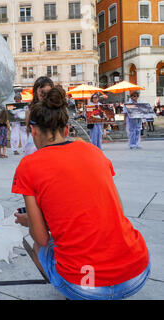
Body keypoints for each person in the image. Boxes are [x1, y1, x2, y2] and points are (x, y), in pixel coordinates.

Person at [12, 87, 150, 300]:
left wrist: (30, 220)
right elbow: (116, 211)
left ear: (34, 132)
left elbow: (40, 236)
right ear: (67, 130)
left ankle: (70, 289)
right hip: (136, 273)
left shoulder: (28, 166)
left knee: (39, 244)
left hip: (84, 286)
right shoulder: (94, 152)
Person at [24, 76, 54, 156]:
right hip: (34, 147)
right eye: (42, 92)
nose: (45, 95)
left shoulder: (55, 108)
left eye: (48, 92)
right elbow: (29, 129)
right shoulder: (30, 110)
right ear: (36, 92)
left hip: (51, 145)